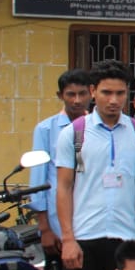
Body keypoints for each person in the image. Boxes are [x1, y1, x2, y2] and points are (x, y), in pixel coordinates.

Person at [56, 60, 135, 270]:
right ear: (93, 91)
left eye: (120, 93)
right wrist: (68, 239)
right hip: (84, 235)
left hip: (127, 235)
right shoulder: (74, 133)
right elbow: (64, 187)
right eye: (107, 92)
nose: (114, 100)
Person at [29, 68, 91, 258]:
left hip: (90, 219)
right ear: (60, 95)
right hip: (57, 224)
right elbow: (38, 181)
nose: (77, 100)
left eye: (82, 94)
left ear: (92, 92)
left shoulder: (97, 128)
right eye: (71, 94)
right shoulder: (46, 129)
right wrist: (45, 228)